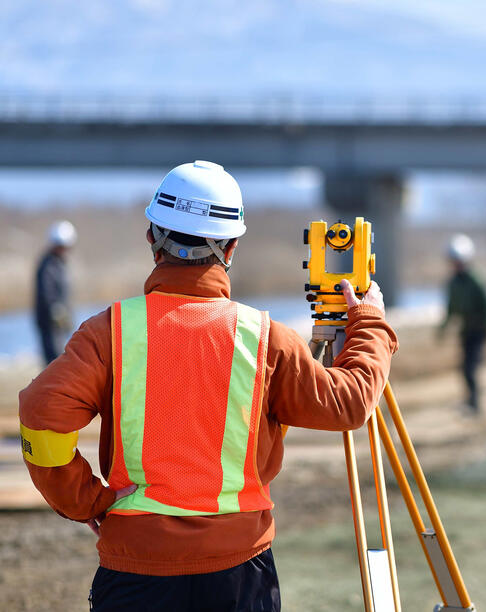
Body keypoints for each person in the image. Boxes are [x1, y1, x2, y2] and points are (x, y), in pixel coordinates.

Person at [18, 160, 397, 611]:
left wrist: (86, 499)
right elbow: (349, 403)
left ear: (151, 239)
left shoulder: (109, 332)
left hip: (137, 569)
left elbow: (42, 416)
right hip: (238, 575)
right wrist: (368, 322)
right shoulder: (264, 338)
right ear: (231, 247)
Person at [437, 234, 486, 414]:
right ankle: (471, 401)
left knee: (470, 368)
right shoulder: (453, 283)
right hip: (466, 331)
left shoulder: (476, 280)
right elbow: (451, 309)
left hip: (478, 331)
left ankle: (475, 404)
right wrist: (443, 329)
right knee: (465, 368)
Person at [34, 220, 77, 364]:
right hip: (49, 323)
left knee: (63, 359)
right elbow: (46, 292)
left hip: (60, 324)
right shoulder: (47, 265)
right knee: (54, 361)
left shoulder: (60, 264)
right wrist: (56, 311)